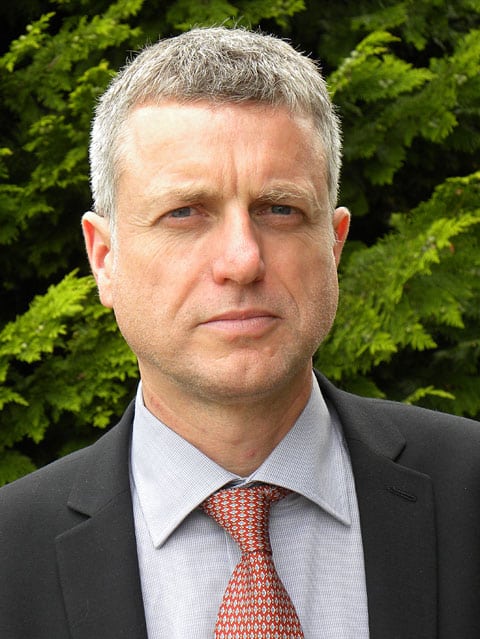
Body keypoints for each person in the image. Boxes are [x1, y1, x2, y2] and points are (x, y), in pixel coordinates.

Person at [1, 26, 480, 639]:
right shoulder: (10, 555)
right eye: (184, 213)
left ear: (333, 245)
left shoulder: (470, 493)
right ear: (104, 259)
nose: (242, 260)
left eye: (280, 209)